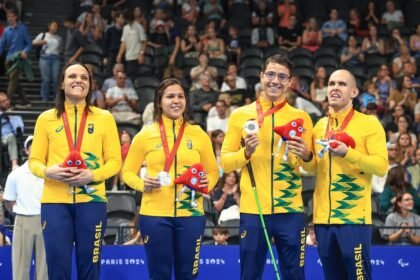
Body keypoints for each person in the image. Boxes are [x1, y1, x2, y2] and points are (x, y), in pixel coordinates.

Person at [221, 54, 315, 280]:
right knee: (250, 274)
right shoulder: (240, 115)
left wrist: (307, 155)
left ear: (290, 81)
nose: (275, 80)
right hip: (254, 210)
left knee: (295, 275)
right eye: (271, 74)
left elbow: (312, 167)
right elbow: (225, 162)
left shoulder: (301, 117)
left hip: (290, 210)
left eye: (282, 76)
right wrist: (246, 153)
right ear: (261, 76)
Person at [28, 62, 122, 279]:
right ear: (62, 84)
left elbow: (115, 161)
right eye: (72, 76)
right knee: (57, 266)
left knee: (89, 266)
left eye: (84, 77)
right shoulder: (46, 119)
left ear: (90, 85)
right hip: (54, 202)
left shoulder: (104, 118)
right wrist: (48, 171)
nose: (78, 80)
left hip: (92, 202)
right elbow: (34, 162)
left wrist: (93, 175)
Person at [122, 78, 219, 280]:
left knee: (188, 275)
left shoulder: (198, 134)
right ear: (159, 101)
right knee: (159, 275)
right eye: (170, 96)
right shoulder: (145, 135)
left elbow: (213, 171)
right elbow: (127, 172)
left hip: (191, 214)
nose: (176, 101)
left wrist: (206, 183)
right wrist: (142, 184)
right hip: (154, 215)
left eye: (180, 96)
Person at [312, 69, 388, 280]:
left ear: (354, 92)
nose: (335, 88)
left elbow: (381, 166)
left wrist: (348, 153)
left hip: (353, 219)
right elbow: (312, 168)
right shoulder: (319, 126)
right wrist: (303, 156)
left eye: (342, 84)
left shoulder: (369, 123)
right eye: (331, 83)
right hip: (323, 220)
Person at [3, 135, 48, 280]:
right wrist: (21, 213)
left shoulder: (50, 173)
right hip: (23, 221)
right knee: (20, 267)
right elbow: (9, 201)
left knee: (44, 268)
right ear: (26, 150)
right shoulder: (16, 175)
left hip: (46, 220)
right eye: (32, 146)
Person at [0, 7, 32, 108]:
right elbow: (1, 45)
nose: (9, 18)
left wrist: (25, 51)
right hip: (8, 59)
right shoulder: (6, 30)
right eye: (8, 16)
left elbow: (29, 44)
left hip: (19, 59)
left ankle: (6, 104)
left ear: (16, 17)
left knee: (13, 80)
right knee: (14, 81)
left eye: (11, 16)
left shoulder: (23, 28)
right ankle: (26, 101)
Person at [32, 20, 63, 101]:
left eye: (56, 26)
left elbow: (60, 49)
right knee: (45, 79)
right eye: (53, 25)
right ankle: (44, 96)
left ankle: (55, 97)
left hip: (55, 58)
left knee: (55, 78)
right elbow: (33, 42)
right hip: (44, 58)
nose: (55, 27)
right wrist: (42, 42)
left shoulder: (59, 38)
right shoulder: (43, 35)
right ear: (49, 26)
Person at [0, 92, 23, 170]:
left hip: (8, 138)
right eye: (3, 101)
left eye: (7, 100)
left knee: (11, 136)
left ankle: (14, 165)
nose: (6, 102)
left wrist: (11, 117)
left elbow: (20, 130)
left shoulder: (15, 115)